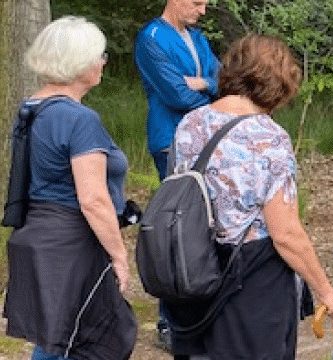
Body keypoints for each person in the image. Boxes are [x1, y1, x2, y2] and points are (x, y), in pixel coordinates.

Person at [165, 34, 333, 358]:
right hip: (250, 276)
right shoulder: (268, 137)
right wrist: (325, 290)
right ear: (279, 82)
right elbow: (286, 234)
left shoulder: (189, 124)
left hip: (193, 265)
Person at [3, 16, 137, 360]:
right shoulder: (79, 119)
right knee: (100, 339)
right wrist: (119, 255)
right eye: (100, 55)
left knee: (58, 338)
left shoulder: (32, 108)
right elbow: (92, 199)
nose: (103, 62)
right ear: (80, 63)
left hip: (41, 235)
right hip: (73, 243)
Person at [134, 0, 219, 348]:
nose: (202, 10)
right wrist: (211, 90)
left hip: (207, 138)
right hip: (172, 141)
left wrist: (203, 82)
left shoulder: (198, 37)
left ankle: (204, 313)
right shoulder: (152, 37)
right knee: (181, 228)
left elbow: (224, 78)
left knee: (211, 226)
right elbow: (176, 94)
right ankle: (171, 323)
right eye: (197, 2)